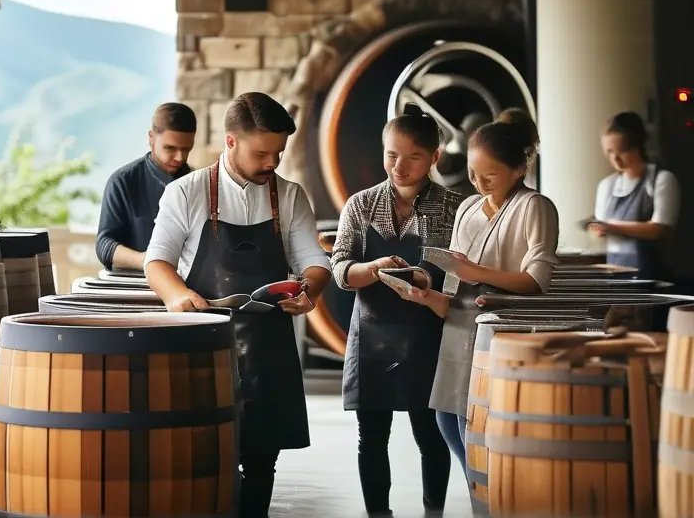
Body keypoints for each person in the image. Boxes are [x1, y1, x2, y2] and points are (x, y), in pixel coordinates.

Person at [143, 92, 332, 518]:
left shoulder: (291, 195)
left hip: (269, 343)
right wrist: (176, 294)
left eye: (278, 153)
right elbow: (157, 262)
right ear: (231, 142)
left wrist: (311, 290)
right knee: (206, 452)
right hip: (204, 341)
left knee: (263, 458)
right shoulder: (185, 193)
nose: (272, 163)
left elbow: (314, 262)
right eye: (262, 153)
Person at [395, 108, 559, 479]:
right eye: (472, 173)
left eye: (490, 175)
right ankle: (480, 488)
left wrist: (475, 272)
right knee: (446, 419)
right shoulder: (468, 206)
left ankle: (488, 495)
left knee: (481, 423)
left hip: (501, 328)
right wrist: (428, 295)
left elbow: (537, 280)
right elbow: (454, 286)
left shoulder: (534, 206)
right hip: (458, 324)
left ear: (519, 170)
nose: (479, 183)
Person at [330, 103, 466, 517]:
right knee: (371, 435)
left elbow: (463, 275)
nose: (399, 166)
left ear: (435, 158)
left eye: (413, 157)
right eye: (391, 155)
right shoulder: (360, 204)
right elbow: (338, 269)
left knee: (431, 433)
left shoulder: (455, 207)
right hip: (370, 335)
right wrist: (368, 269)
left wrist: (426, 281)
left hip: (427, 333)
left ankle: (433, 511)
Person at [95, 102, 197, 271]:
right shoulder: (122, 181)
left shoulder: (198, 183)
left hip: (189, 284)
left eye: (186, 149)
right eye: (170, 148)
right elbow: (105, 246)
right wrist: (152, 262)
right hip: (135, 283)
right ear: (151, 138)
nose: (179, 157)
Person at [590, 111, 680, 280]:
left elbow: (657, 229)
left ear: (637, 145)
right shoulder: (606, 186)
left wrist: (612, 226)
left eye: (621, 151)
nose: (615, 159)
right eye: (609, 152)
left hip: (653, 276)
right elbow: (602, 228)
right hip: (615, 273)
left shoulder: (661, 180)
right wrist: (598, 229)